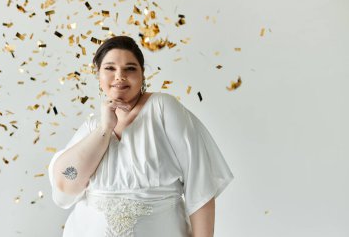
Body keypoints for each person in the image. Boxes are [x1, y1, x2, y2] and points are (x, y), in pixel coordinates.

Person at [48, 35, 234, 237]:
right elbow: (66, 184)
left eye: (130, 68)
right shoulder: (94, 125)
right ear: (99, 75)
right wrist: (105, 128)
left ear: (143, 75)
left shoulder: (162, 108)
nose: (120, 76)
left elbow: (201, 187)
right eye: (110, 68)